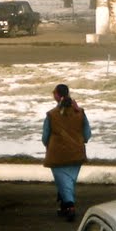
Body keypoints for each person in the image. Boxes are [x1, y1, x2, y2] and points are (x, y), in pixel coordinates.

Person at [42, 84, 91, 222]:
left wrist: (48, 145)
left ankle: (70, 206)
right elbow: (87, 133)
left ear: (57, 95)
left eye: (54, 93)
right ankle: (65, 205)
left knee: (63, 182)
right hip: (77, 152)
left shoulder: (51, 115)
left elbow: (45, 136)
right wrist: (81, 141)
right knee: (68, 182)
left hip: (57, 154)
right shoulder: (80, 112)